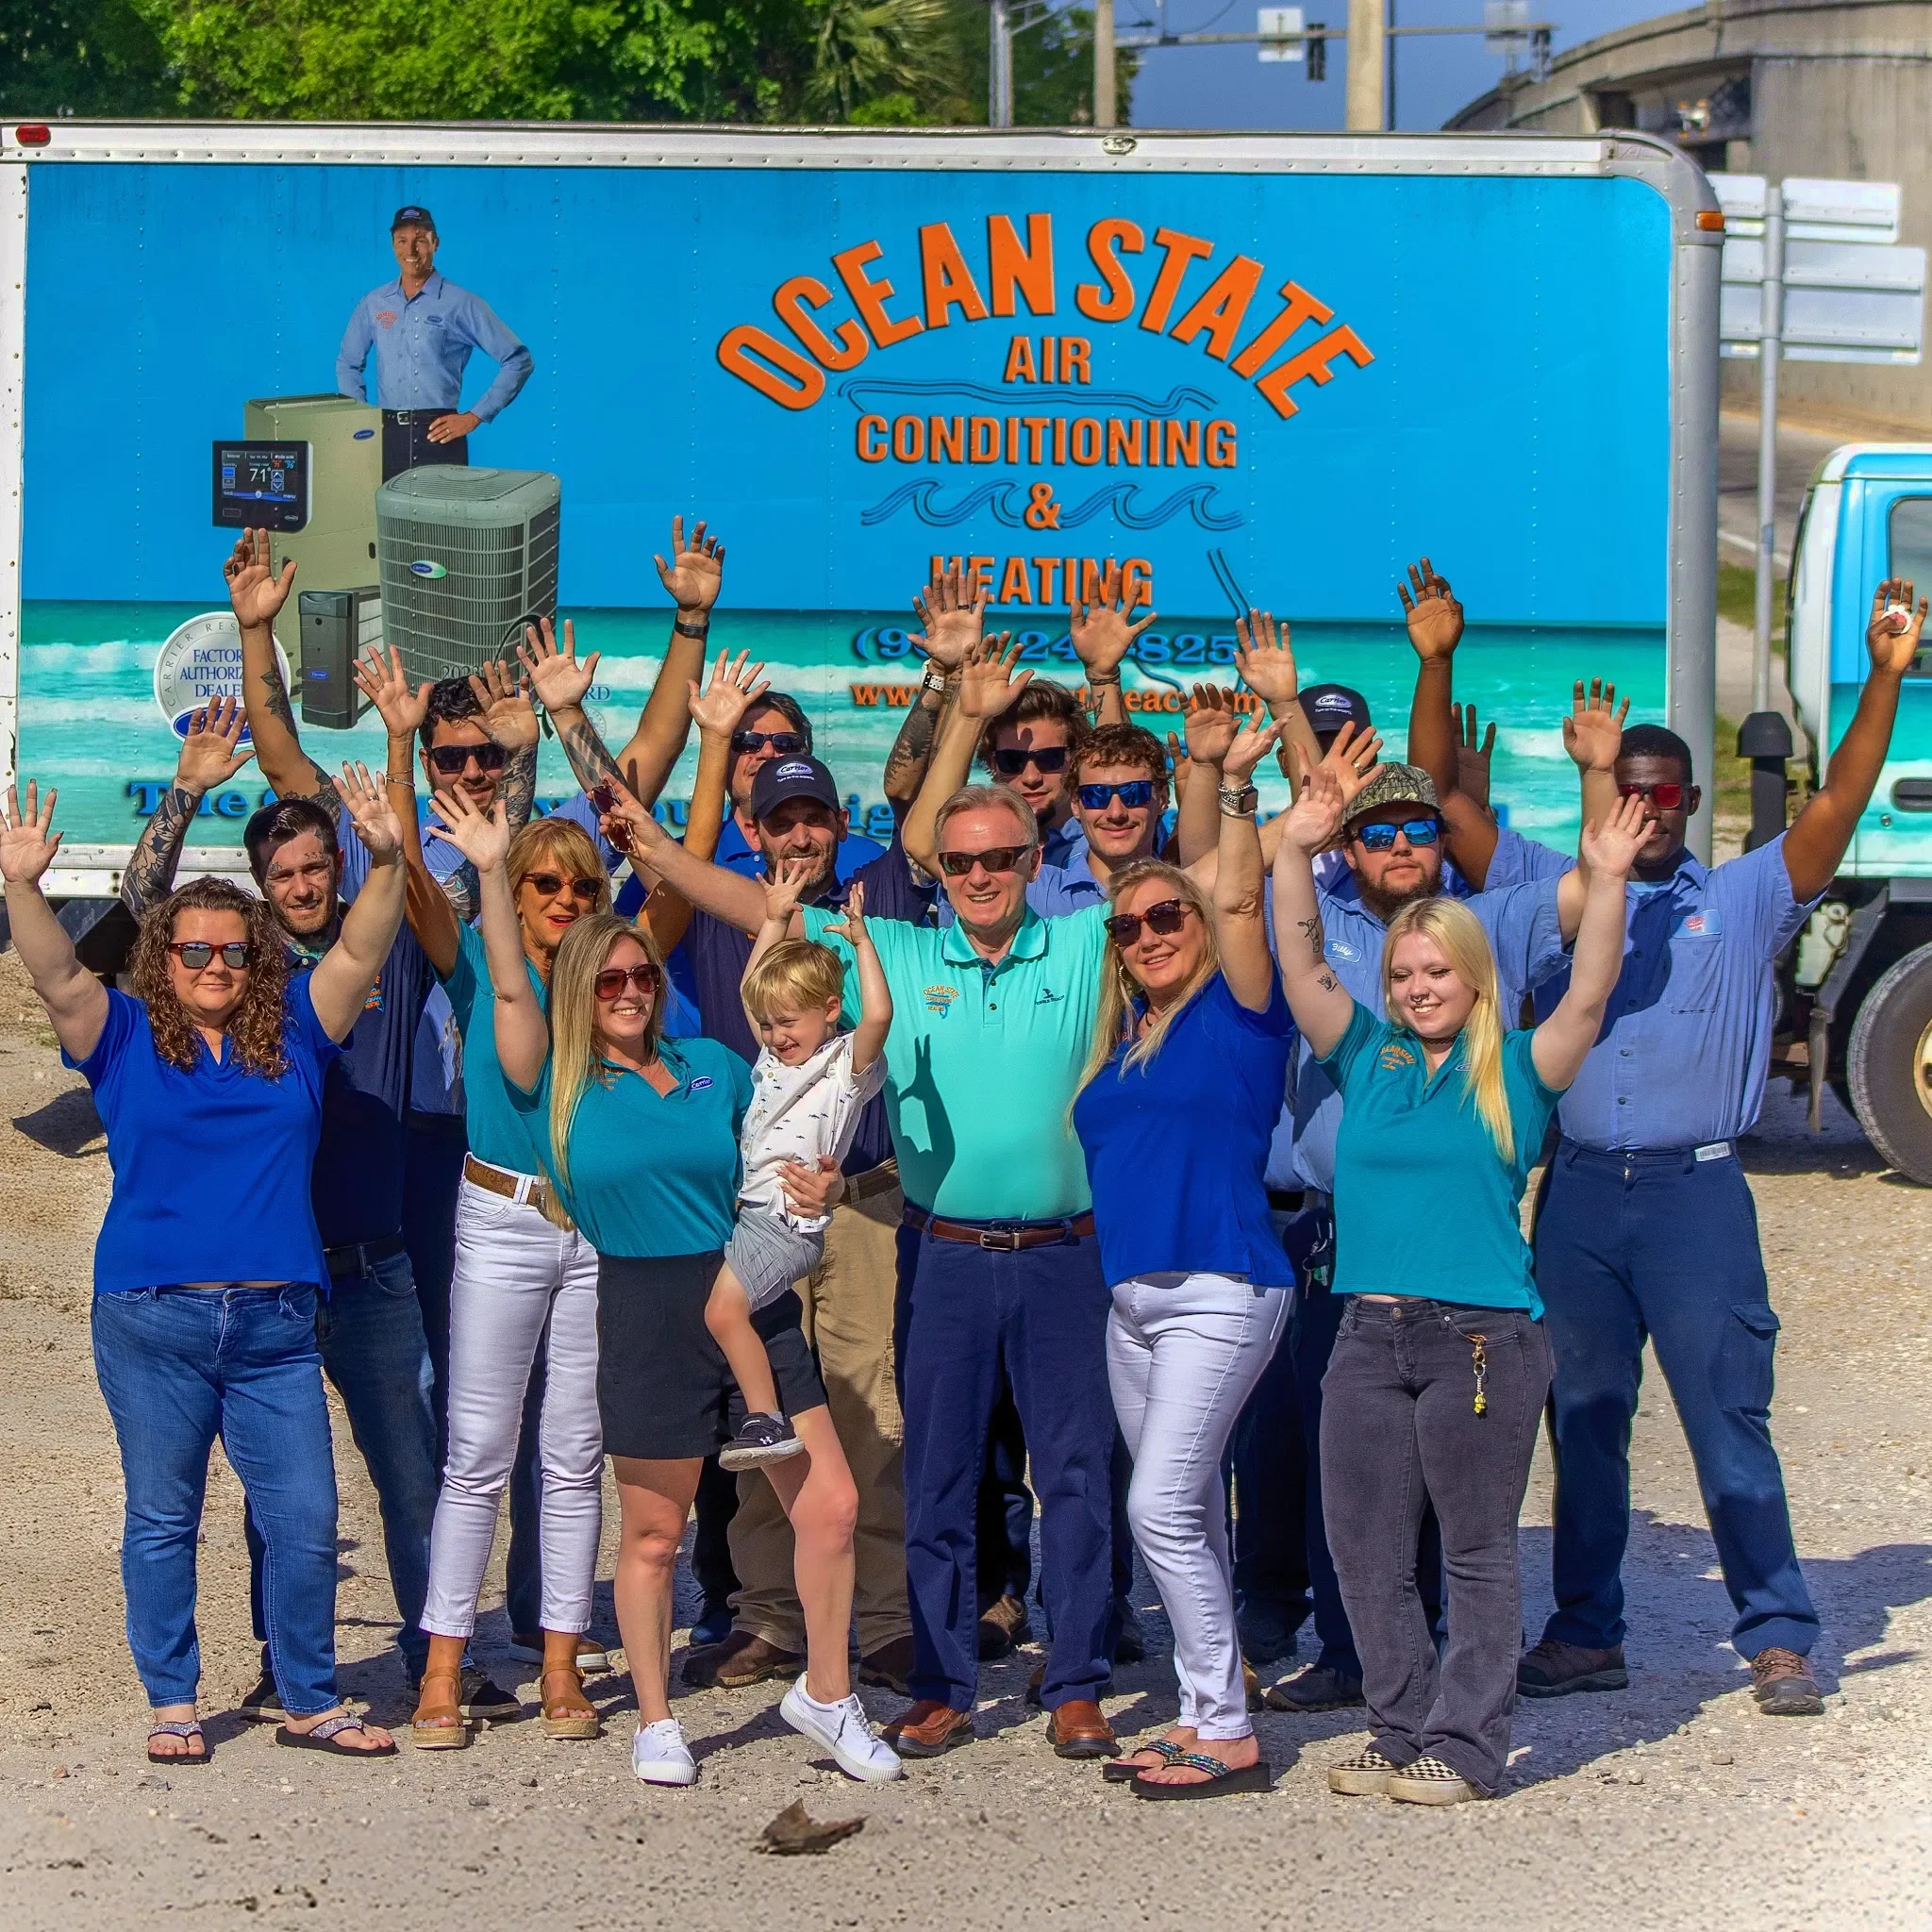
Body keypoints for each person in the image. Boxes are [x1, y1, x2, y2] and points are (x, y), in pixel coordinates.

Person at [1470, 582, 1925, 1718]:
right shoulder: (1559, 897)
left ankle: (1774, 1631)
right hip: (1578, 1194)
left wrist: (1881, 676)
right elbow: (1452, 817)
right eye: (1631, 790)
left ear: (1690, 800)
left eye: (1667, 791)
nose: (1649, 807)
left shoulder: (1744, 895)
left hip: (1694, 1196)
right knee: (1582, 1419)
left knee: (1727, 1416)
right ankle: (1586, 1631)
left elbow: (1839, 798)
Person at [435, 789, 897, 1788]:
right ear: (579, 992)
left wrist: (823, 1183)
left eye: (643, 973)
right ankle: (654, 1718)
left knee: (830, 1505)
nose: (631, 990)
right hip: (644, 1309)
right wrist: (491, 874)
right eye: (609, 980)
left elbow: (790, 1115)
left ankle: (827, 1693)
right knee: (652, 1535)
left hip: (745, 1292)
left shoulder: (712, 1066)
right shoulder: (553, 1078)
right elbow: (509, 989)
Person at [4, 770, 408, 1763]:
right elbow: (58, 976)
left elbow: (363, 946)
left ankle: (309, 1697)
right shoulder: (123, 1036)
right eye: (194, 949)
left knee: (305, 1518)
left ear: (256, 955)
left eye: (233, 949)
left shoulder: (299, 1030)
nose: (214, 964)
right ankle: (174, 1701)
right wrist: (21, 886)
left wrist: (389, 857)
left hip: (276, 1326)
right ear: (165, 956)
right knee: (162, 1517)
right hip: (152, 1316)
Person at [1273, 757, 1649, 1805]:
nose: (1418, 988)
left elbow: (1590, 988)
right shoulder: (1366, 1058)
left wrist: (1607, 879)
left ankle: (1470, 1744)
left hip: (1481, 1339)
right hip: (1365, 1331)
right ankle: (1398, 1726)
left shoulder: (1521, 1066)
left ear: (1475, 977)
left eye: (1437, 971)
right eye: (1403, 974)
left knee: (1477, 1552)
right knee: (1364, 1549)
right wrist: (1294, 850)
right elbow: (1301, 963)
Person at [1072, 710, 1294, 1798]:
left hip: (1222, 1284)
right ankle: (1203, 1704)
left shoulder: (1241, 1014)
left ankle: (1229, 1727)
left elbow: (1242, 897)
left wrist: (1234, 788)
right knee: (1190, 1508)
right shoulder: (1121, 1038)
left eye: (1168, 914)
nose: (1149, 933)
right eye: (1129, 925)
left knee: (1154, 1507)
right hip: (1132, 1305)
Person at [707, 866, 891, 1470]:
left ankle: (764, 1420)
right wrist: (775, 917)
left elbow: (878, 1017)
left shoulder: (842, 1067)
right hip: (749, 1211)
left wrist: (862, 943)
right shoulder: (772, 1058)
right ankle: (765, 1416)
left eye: (788, 1023)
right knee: (732, 1315)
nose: (776, 1035)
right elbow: (751, 990)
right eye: (768, 1024)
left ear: (830, 1010)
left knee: (722, 1311)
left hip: (788, 1222)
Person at [336, 204, 534, 479]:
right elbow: (348, 363)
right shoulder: (374, 303)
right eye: (402, 241)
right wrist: (359, 419)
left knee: (443, 509)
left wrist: (474, 416)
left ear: (435, 243)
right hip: (385, 438)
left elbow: (518, 361)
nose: (410, 250)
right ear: (393, 245)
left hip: (440, 438)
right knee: (381, 508)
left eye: (420, 240)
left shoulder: (461, 303)